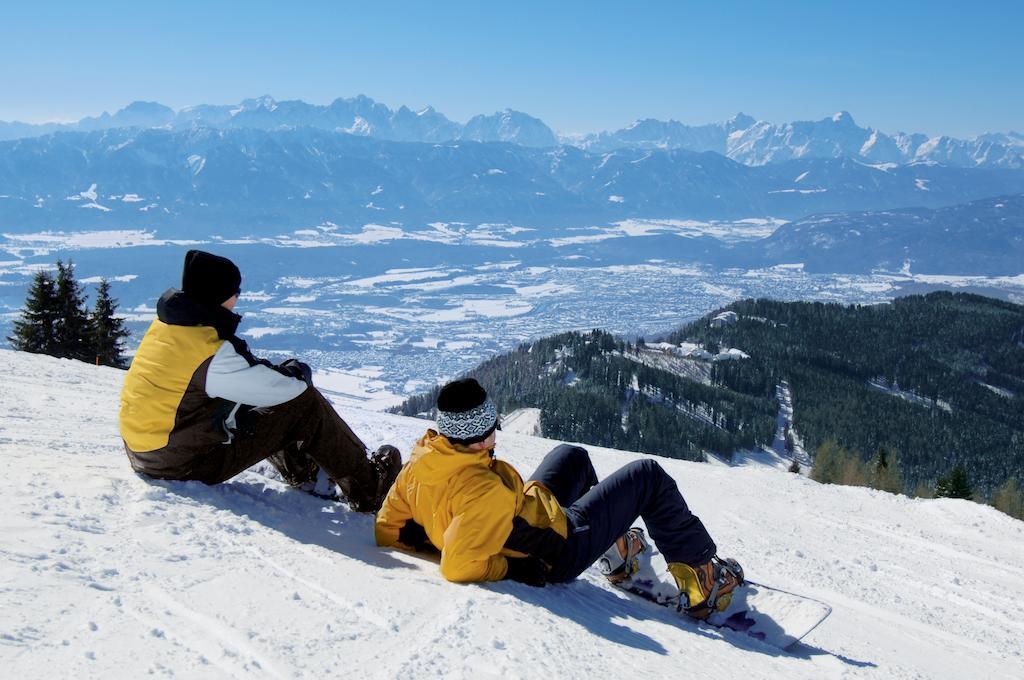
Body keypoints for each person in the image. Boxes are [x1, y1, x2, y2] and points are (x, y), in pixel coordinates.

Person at [375, 378, 743, 619]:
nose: (494, 438)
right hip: (557, 548)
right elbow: (456, 566)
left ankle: (616, 550)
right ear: (471, 436)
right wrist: (511, 568)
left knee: (573, 456)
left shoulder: (423, 461)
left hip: (528, 516)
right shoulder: (482, 491)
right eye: (488, 433)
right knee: (648, 476)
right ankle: (702, 581)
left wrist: (437, 534)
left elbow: (387, 529)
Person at [119, 249, 400, 511]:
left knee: (256, 397)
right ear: (219, 296)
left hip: (148, 451)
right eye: (235, 292)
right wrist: (298, 372)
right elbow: (280, 389)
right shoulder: (210, 354)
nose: (237, 299)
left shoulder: (170, 327)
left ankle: (304, 472)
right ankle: (369, 488)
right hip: (180, 463)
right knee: (303, 400)